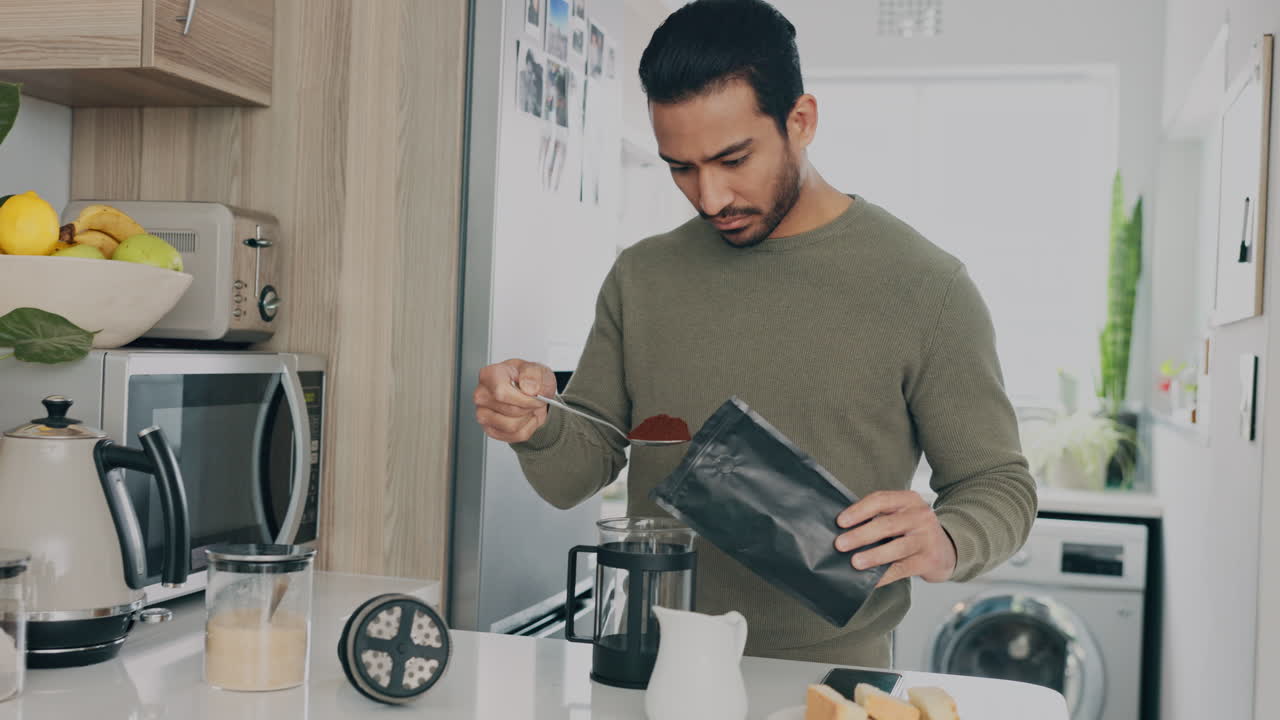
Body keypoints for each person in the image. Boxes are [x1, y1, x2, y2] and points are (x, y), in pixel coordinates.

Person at [472, 0, 1037, 667]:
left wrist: (949, 538)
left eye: (733, 159)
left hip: (830, 678)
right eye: (681, 167)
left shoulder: (925, 286)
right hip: (649, 665)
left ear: (801, 121)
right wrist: (535, 425)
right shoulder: (643, 275)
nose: (710, 198)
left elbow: (999, 484)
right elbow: (578, 471)